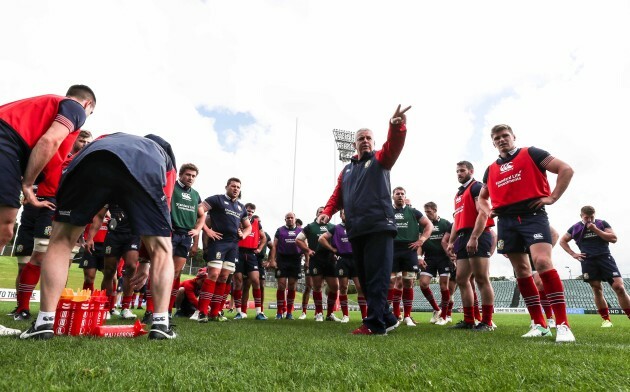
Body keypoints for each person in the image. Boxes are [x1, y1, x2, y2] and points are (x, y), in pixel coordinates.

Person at [19, 132, 178, 340]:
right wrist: (147, 260)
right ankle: (160, 324)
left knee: (61, 242)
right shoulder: (162, 154)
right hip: (142, 167)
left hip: (92, 159)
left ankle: (44, 322)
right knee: (163, 249)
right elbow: (164, 205)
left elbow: (74, 163)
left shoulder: (109, 136)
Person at [318, 104, 411, 335]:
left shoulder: (381, 159)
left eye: (369, 137)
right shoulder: (346, 171)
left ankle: (375, 324)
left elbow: (394, 146)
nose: (366, 140)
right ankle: (387, 317)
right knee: (367, 279)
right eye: (362, 138)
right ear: (355, 143)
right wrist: (327, 212)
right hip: (356, 230)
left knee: (378, 277)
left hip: (379, 226)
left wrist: (396, 127)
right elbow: (337, 195)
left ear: (374, 141)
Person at [478, 124, 575, 342]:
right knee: (521, 270)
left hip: (532, 216)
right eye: (497, 138)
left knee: (541, 263)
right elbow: (482, 198)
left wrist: (553, 197)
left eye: (505, 136)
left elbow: (566, 169)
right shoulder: (491, 169)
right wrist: (488, 213)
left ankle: (562, 324)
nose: (502, 140)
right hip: (505, 220)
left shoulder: (532, 153)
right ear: (493, 143)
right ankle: (539, 324)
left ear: (513, 137)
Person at [11, 130, 92, 320]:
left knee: (41, 257)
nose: (84, 144)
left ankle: (49, 309)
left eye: (88, 142)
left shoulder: (80, 164)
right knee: (23, 263)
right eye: (81, 140)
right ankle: (21, 307)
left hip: (52, 207)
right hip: (31, 210)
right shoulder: (49, 152)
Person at [559, 206, 630, 326]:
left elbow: (613, 238)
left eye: (592, 217)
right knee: (596, 288)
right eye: (586, 217)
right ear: (581, 216)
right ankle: (606, 320)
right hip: (588, 261)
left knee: (619, 287)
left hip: (605, 258)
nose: (589, 220)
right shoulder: (575, 227)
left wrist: (595, 229)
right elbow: (562, 241)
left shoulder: (601, 223)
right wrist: (573, 254)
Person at [446, 161, 496, 331]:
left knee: (481, 278)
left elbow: (483, 212)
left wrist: (474, 237)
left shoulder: (477, 187)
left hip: (478, 234)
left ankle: (487, 322)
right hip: (462, 236)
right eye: (457, 171)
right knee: (461, 279)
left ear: (471, 171)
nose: (459, 173)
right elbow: (456, 220)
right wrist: (452, 241)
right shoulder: (458, 194)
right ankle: (468, 320)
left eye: (462, 170)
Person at [197, 178, 251, 322]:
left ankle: (215, 313)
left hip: (233, 245)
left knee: (224, 277)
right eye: (233, 186)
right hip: (218, 242)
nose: (235, 189)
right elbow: (199, 209)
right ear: (226, 186)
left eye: (238, 187)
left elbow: (248, 226)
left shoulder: (241, 207)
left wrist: (243, 235)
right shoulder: (217, 200)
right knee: (213, 274)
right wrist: (207, 230)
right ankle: (201, 312)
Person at [390, 188, 433, 326]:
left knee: (408, 282)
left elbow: (428, 225)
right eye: (398, 194)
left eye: (402, 194)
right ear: (393, 196)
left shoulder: (413, 212)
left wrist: (421, 240)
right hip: (392, 249)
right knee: (390, 283)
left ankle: (407, 316)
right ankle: (392, 314)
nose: (400, 196)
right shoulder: (387, 211)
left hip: (409, 250)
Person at [168, 163, 204, 316]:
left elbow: (202, 215)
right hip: (170, 233)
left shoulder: (195, 195)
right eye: (188, 175)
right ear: (181, 175)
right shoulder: (171, 187)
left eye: (193, 176)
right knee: (161, 270)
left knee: (176, 273)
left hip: (185, 237)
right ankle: (152, 309)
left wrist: (196, 231)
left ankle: (168, 309)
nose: (191, 178)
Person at [318, 209, 367, 323]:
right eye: (344, 213)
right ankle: (346, 315)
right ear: (341, 215)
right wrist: (332, 249)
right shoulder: (335, 228)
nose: (347, 214)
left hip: (356, 259)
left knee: (360, 287)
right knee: (343, 287)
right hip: (342, 260)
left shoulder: (357, 226)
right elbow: (321, 239)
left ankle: (364, 316)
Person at [296, 207, 335, 321]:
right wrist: (308, 250)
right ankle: (319, 313)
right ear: (317, 214)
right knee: (317, 286)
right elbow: (298, 240)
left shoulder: (332, 227)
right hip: (316, 260)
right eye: (320, 212)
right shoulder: (310, 227)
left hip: (330, 260)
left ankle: (330, 314)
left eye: (324, 212)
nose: (322, 213)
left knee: (335, 287)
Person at [420, 202, 453, 326]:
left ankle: (444, 316)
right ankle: (436, 309)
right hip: (429, 258)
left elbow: (451, 239)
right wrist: (419, 256)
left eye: (428, 211)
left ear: (435, 210)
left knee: (444, 287)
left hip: (444, 258)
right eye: (425, 212)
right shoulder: (423, 225)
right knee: (423, 284)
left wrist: (452, 256)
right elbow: (420, 242)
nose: (427, 214)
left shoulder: (445, 223)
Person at [234, 203, 268, 320]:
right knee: (238, 282)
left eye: (251, 211)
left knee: (256, 281)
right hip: (238, 253)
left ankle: (259, 312)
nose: (249, 213)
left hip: (251, 254)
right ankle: (239, 312)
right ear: (244, 210)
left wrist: (259, 248)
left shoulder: (257, 223)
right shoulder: (238, 219)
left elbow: (264, 237)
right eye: (248, 210)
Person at [268, 212, 303, 320]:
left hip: (295, 260)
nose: (290, 219)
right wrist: (272, 260)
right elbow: (274, 246)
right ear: (285, 219)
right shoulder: (280, 230)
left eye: (291, 218)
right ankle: (279, 312)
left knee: (292, 285)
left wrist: (307, 259)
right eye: (288, 218)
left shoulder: (300, 231)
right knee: (281, 285)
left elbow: (304, 244)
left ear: (295, 219)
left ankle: (289, 312)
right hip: (282, 259)